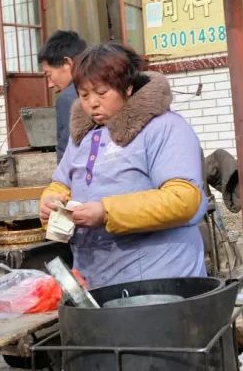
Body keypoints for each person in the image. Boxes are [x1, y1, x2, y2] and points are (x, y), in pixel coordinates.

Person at [39, 43, 208, 288]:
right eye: (84, 95)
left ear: (127, 88)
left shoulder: (165, 128)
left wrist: (106, 211)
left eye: (102, 92)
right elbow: (61, 183)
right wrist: (50, 202)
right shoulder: (85, 134)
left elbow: (184, 198)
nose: (92, 103)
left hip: (159, 280)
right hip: (95, 279)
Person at [38, 30, 87, 162]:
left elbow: (66, 153)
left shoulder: (68, 98)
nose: (49, 84)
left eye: (49, 75)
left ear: (67, 63)